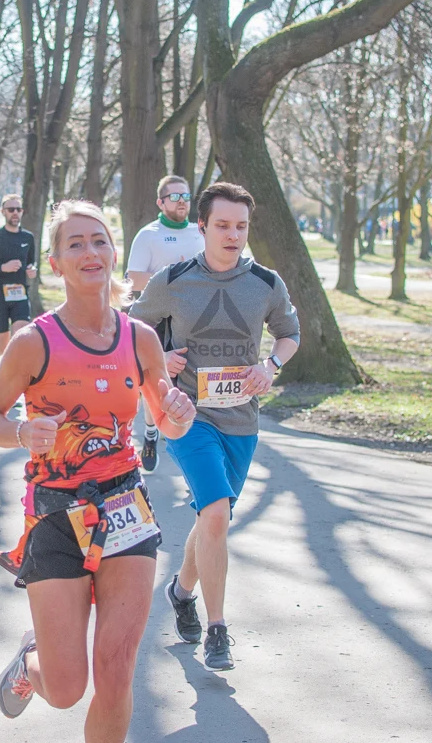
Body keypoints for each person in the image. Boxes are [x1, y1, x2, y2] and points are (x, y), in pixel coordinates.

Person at [0, 200, 196, 738]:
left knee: (117, 676)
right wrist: (23, 433)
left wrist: (178, 414)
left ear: (114, 252)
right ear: (55, 263)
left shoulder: (139, 338)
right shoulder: (33, 343)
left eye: (99, 241)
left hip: (126, 509)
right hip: (56, 515)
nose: (90, 252)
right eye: (75, 244)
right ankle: (33, 661)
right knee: (68, 687)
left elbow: (165, 420)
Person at [131, 181, 300, 671]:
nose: (233, 235)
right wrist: (160, 357)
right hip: (187, 416)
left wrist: (270, 367)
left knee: (213, 517)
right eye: (222, 225)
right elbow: (131, 333)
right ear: (201, 226)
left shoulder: (266, 283)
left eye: (241, 227)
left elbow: (289, 334)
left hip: (242, 420)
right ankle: (218, 629)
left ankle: (182, 591)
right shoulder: (173, 278)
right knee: (218, 515)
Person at [125, 175, 204, 471]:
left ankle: (197, 439)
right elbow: (133, 279)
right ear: (160, 202)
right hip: (157, 317)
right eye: (175, 197)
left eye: (185, 196)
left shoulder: (200, 232)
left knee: (193, 377)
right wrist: (172, 278)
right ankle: (150, 431)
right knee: (157, 379)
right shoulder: (149, 235)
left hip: (194, 318)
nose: (182, 201)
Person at [0, 195, 38, 378]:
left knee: (21, 336)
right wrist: (3, 268)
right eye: (11, 209)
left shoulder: (28, 237)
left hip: (19, 294)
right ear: (3, 212)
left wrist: (31, 271)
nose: (15, 213)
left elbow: (31, 263)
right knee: (2, 346)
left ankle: (15, 381)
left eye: (18, 209)